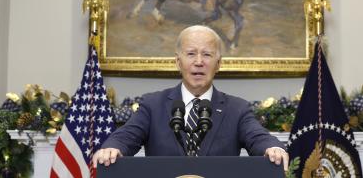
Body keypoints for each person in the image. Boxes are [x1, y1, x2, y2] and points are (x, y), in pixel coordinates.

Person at [93, 25, 289, 170]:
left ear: (218, 64)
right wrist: (112, 148)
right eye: (191, 54)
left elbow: (258, 137)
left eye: (207, 55)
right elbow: (125, 137)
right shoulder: (153, 105)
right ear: (178, 62)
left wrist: (272, 147)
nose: (198, 62)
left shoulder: (236, 109)